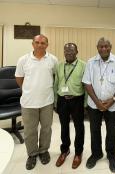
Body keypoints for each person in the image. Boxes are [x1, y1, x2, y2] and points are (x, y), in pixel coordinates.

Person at [82, 37, 115, 173]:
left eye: (106, 46)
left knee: (111, 131)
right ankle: (96, 154)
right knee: (94, 130)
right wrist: (97, 102)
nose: (103, 49)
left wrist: (112, 100)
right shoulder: (91, 62)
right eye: (101, 46)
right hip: (94, 104)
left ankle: (111, 155)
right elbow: (87, 83)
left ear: (110, 47)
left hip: (113, 105)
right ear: (97, 48)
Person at [15, 34, 58, 170]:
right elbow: (19, 78)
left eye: (43, 43)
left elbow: (56, 76)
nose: (40, 45)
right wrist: (28, 90)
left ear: (47, 45)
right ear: (32, 44)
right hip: (28, 102)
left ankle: (44, 151)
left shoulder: (53, 60)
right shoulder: (23, 60)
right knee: (29, 130)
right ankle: (32, 154)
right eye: (37, 42)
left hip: (47, 101)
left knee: (46, 129)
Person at [54, 43, 85, 169]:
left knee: (79, 127)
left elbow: (86, 85)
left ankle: (78, 153)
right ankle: (65, 150)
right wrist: (56, 102)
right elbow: (56, 83)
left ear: (77, 51)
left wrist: (85, 103)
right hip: (62, 100)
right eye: (66, 51)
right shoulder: (59, 65)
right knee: (64, 126)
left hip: (77, 99)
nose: (69, 53)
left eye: (71, 51)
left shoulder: (83, 65)